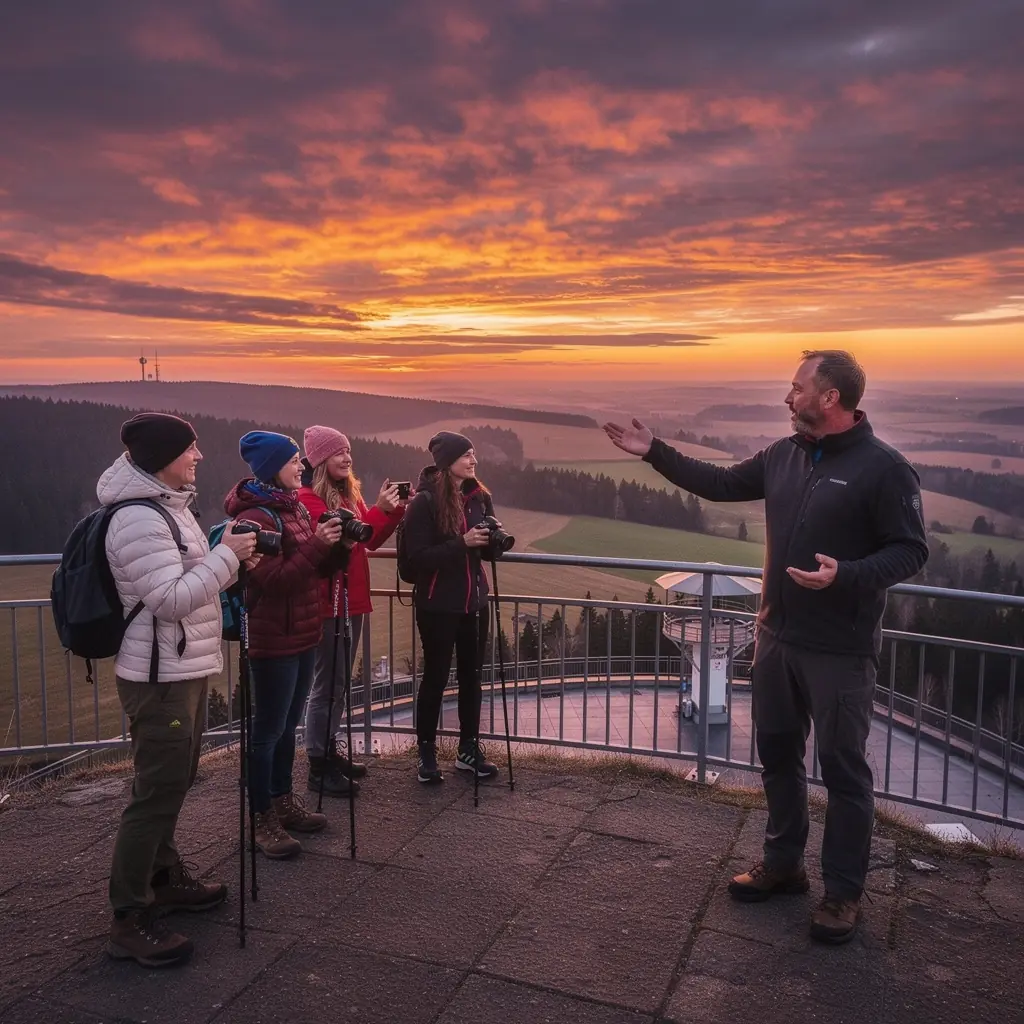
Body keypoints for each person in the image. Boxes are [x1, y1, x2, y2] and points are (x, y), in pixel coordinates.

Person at [603, 350, 928, 945]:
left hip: (839, 649)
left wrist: (847, 574)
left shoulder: (885, 469)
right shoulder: (785, 454)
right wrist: (654, 451)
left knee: (844, 772)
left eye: (797, 387)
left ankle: (842, 894)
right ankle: (783, 865)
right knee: (777, 755)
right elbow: (721, 483)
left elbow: (910, 550)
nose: (787, 396)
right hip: (776, 637)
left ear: (830, 397)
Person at [102, 413, 259, 968]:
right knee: (157, 790)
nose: (198, 457)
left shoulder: (169, 508)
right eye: (190, 449)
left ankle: (163, 879)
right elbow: (169, 599)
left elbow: (195, 583)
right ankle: (129, 916)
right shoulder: (137, 519)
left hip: (180, 667)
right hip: (158, 676)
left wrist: (231, 563)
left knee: (176, 779)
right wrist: (226, 557)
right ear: (162, 456)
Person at [224, 430, 344, 859]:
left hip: (304, 633)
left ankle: (282, 801)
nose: (301, 466)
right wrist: (317, 545)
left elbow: (309, 569)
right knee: (267, 731)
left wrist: (337, 546)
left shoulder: (293, 507)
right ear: (272, 467)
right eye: (293, 461)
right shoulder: (255, 517)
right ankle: (261, 817)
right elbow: (273, 581)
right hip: (273, 638)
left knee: (288, 725)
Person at [297, 424, 407, 796]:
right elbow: (341, 542)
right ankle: (318, 764)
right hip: (329, 603)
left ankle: (328, 750)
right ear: (320, 460)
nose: (347, 458)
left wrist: (391, 511)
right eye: (338, 452)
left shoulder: (347, 496)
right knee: (327, 684)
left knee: (339, 682)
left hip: (351, 600)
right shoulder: (309, 500)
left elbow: (368, 539)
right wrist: (379, 510)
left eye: (347, 451)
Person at [400, 431, 502, 784]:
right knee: (436, 677)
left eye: (474, 454)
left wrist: (493, 542)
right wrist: (463, 543)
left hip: (475, 602)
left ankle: (468, 750)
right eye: (467, 455)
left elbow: (485, 552)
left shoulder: (479, 497)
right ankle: (426, 752)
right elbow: (418, 558)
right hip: (437, 605)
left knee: (472, 677)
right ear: (448, 463)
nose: (474, 461)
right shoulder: (424, 502)